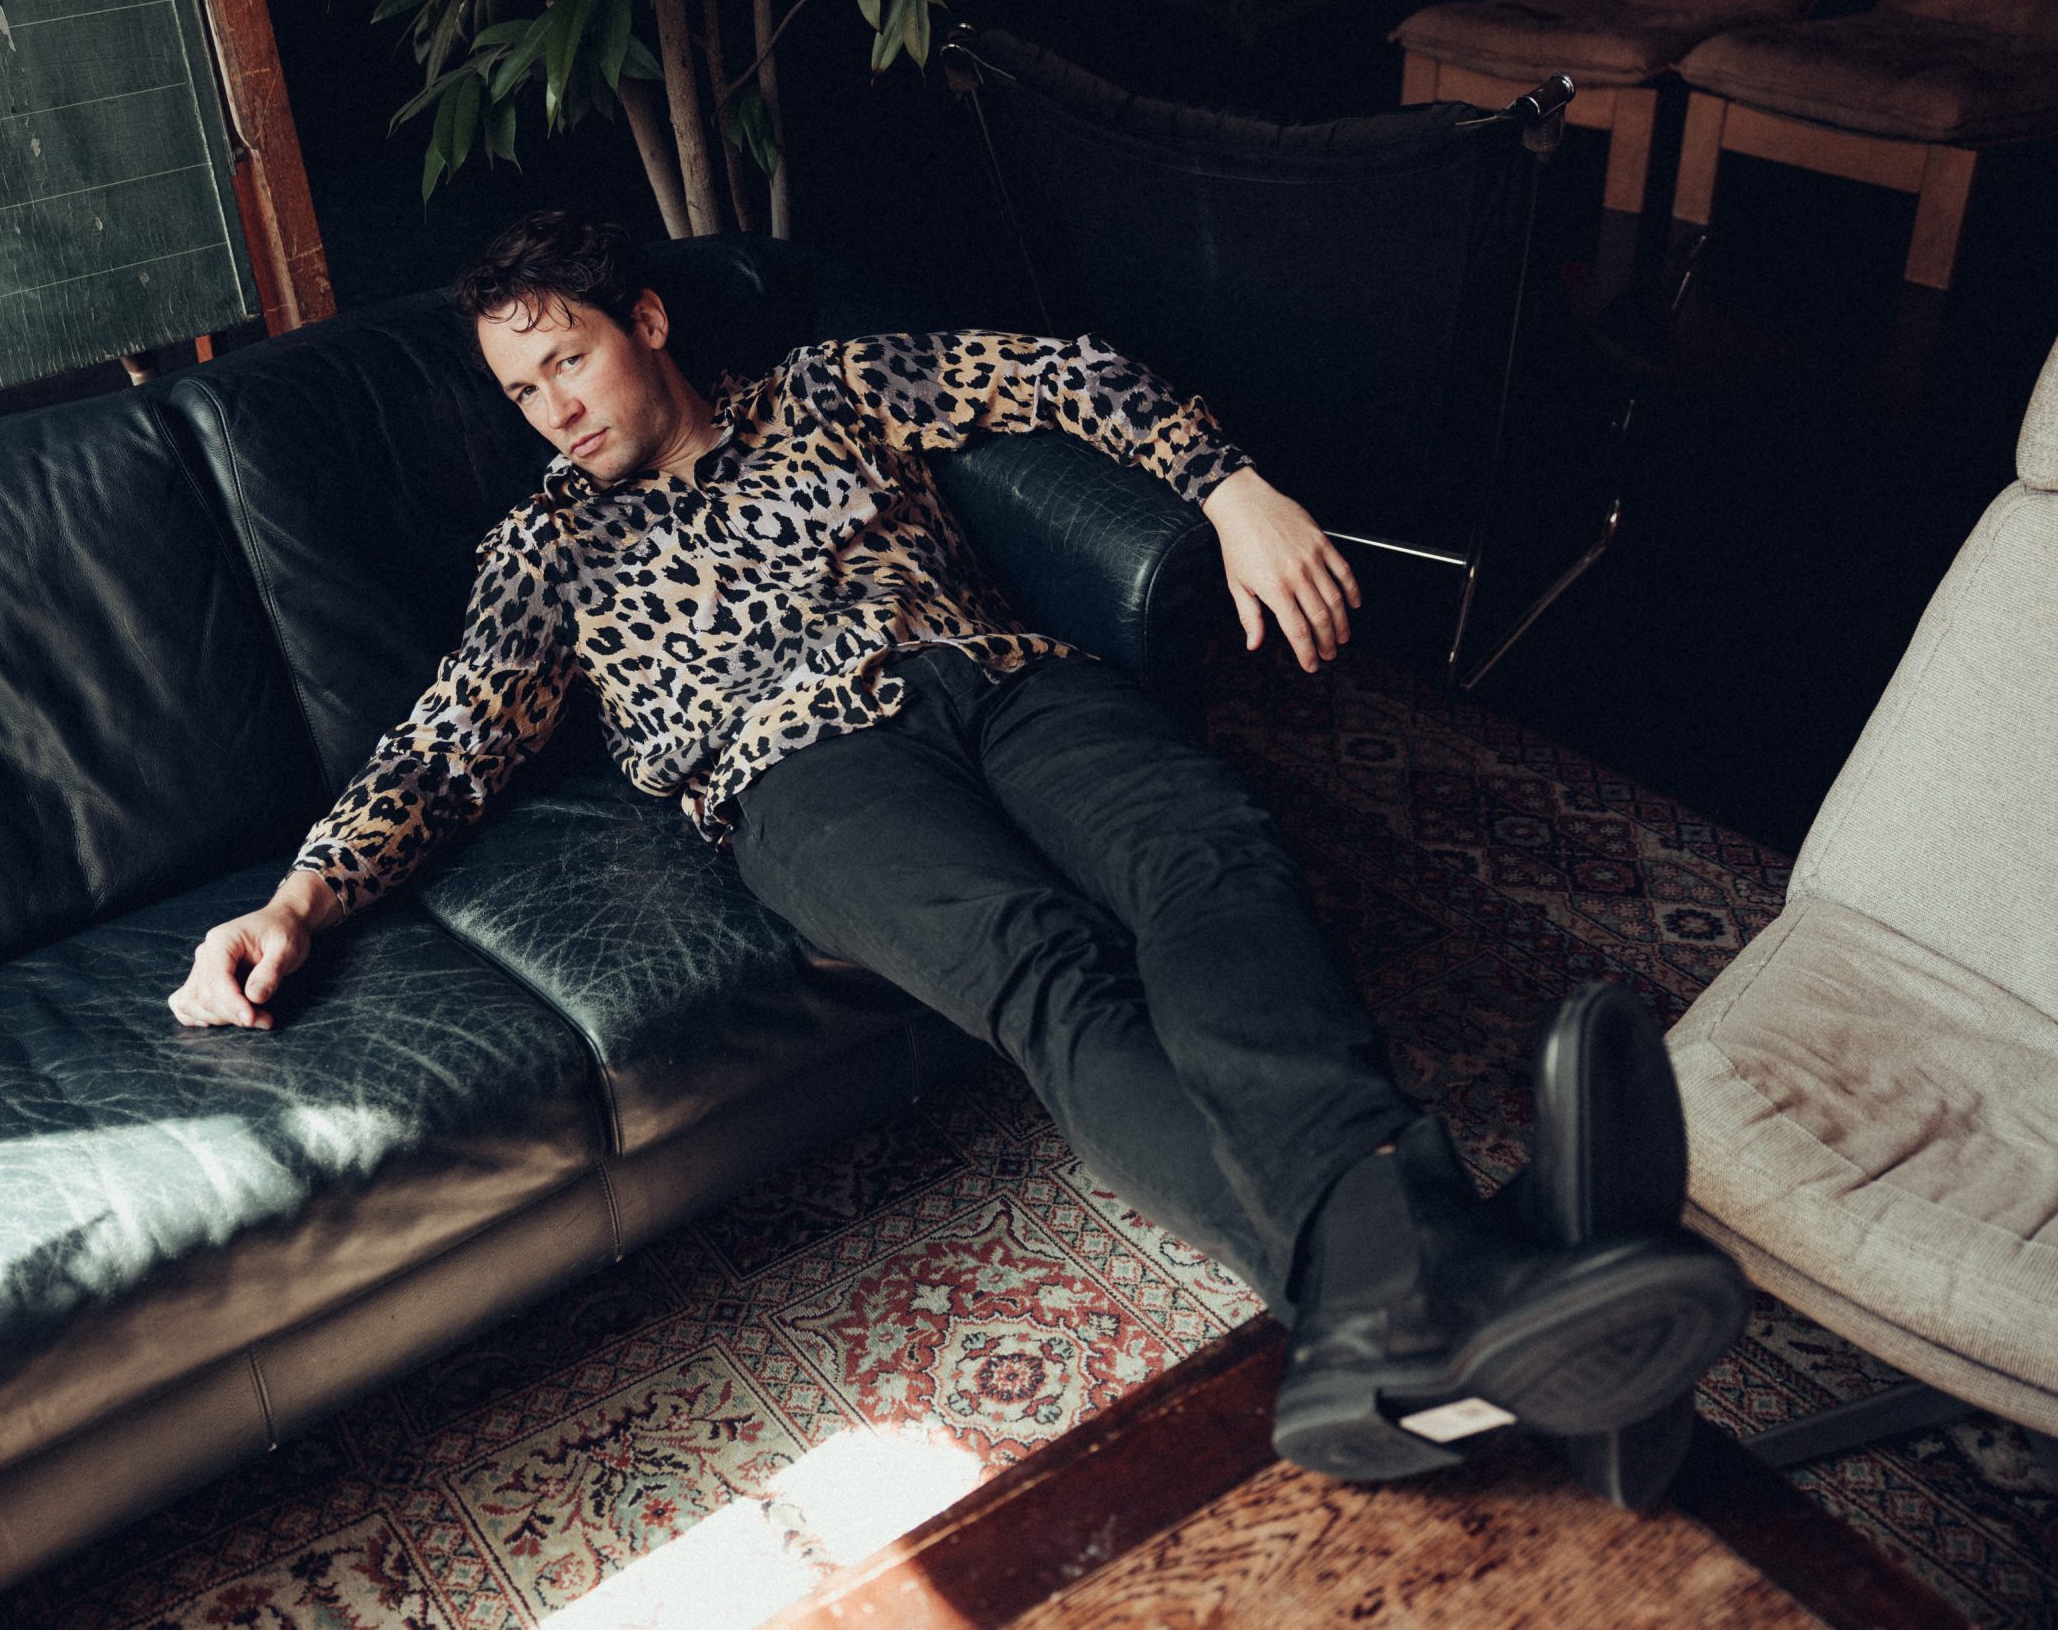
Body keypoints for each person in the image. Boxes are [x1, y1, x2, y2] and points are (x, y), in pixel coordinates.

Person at [167, 209, 1743, 1487]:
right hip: (797, 774)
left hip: (1002, 679)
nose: (554, 410)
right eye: (523, 392)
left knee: (1215, 852)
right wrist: (297, 902)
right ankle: (1448, 1265)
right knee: (1048, 974)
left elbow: (1059, 374)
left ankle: (1399, 1318)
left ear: (645, 319)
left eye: (566, 360)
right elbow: (450, 737)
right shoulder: (546, 547)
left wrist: (1234, 491)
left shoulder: (830, 387)